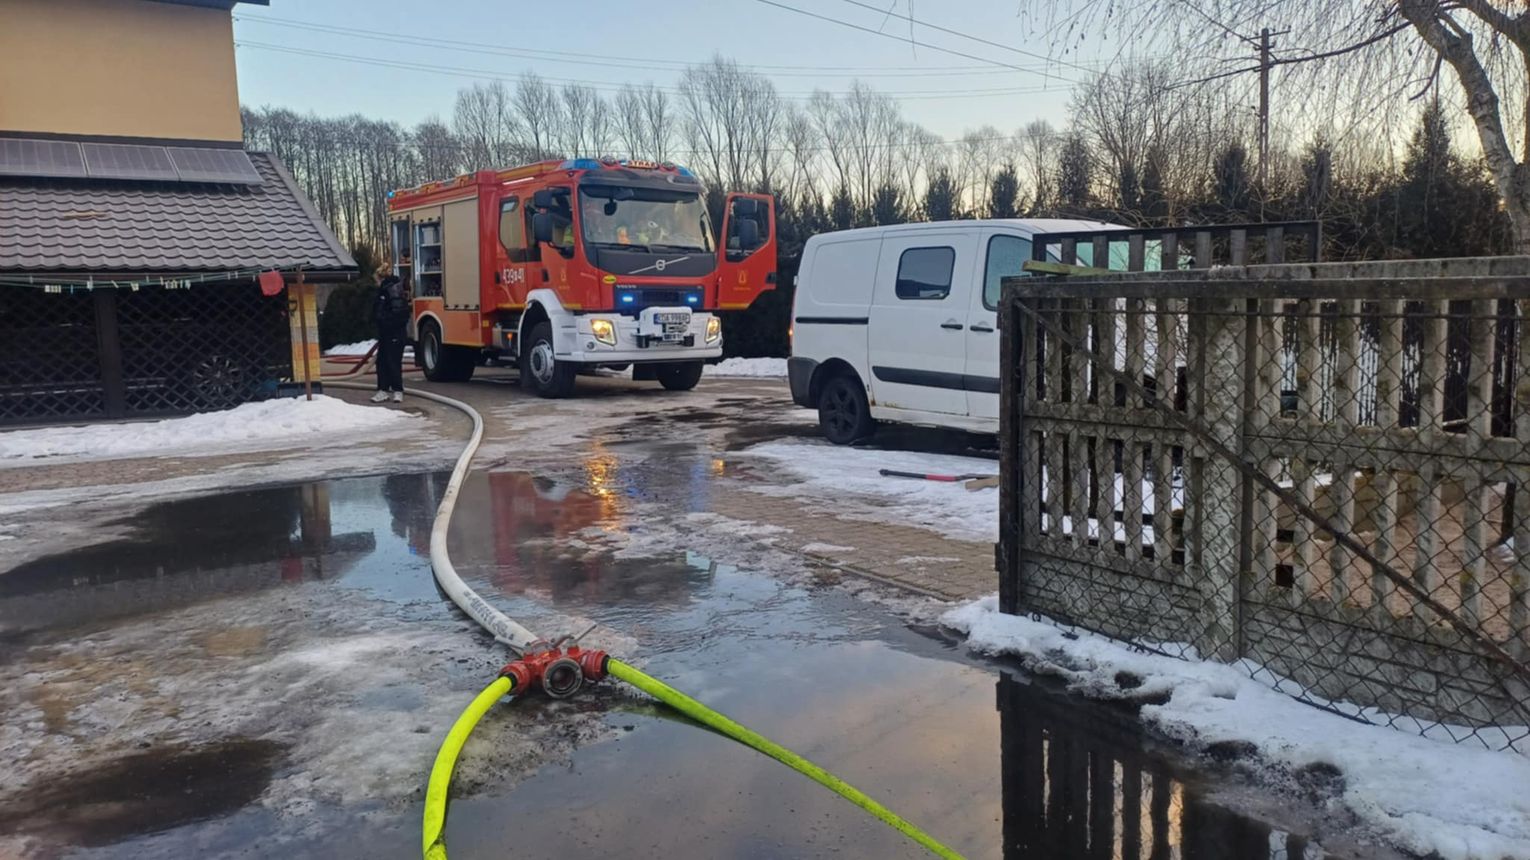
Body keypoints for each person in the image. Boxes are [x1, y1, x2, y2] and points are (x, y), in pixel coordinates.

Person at [372, 275, 410, 403]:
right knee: (383, 362)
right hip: (389, 335)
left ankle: (397, 390)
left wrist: (383, 322)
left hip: (393, 334)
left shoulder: (390, 296)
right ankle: (384, 390)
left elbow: (386, 315)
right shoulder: (391, 294)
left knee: (392, 362)